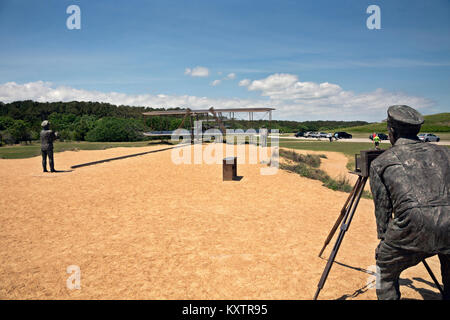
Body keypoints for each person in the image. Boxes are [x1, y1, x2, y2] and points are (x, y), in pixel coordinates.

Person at [369, 105, 449, 300]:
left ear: (392, 131)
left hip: (412, 225)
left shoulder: (381, 162)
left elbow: (383, 210)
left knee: (384, 271)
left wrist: (383, 241)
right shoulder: (446, 153)